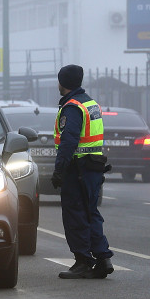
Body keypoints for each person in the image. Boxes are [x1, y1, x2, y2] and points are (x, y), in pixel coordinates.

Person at [51, 64, 114, 280]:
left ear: (62, 82)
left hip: (77, 169)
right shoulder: (90, 103)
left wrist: (59, 170)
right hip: (93, 168)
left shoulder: (72, 107)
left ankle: (83, 261)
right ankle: (103, 258)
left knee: (75, 215)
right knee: (90, 213)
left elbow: (69, 141)